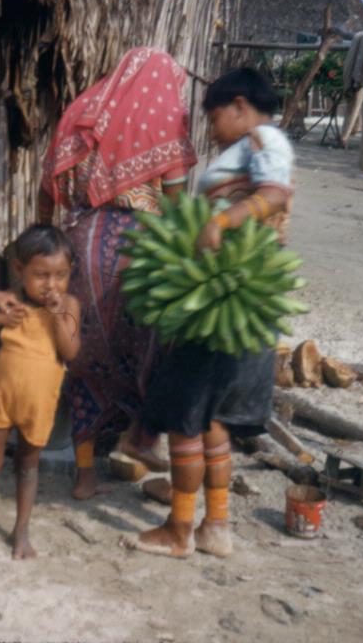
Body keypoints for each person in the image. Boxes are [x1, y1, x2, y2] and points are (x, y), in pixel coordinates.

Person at [135, 67, 295, 559]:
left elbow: (275, 194)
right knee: (214, 418)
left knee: (186, 411)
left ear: (240, 105)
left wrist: (221, 222)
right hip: (229, 295)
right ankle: (215, 528)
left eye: (213, 116)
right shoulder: (249, 144)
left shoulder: (264, 137)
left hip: (227, 292)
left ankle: (179, 529)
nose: (211, 128)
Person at [36, 47, 197, 499]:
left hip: (79, 248)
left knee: (83, 360)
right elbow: (178, 208)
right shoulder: (164, 120)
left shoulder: (83, 113)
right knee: (146, 354)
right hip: (139, 258)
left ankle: (85, 473)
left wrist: (45, 238)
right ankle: (139, 439)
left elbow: (47, 189)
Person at [0, 225, 81, 558]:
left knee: (27, 465)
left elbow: (70, 351)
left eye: (60, 275)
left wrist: (56, 316)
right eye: (41, 275)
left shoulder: (68, 305)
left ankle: (21, 529)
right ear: (19, 269)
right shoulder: (10, 300)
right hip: (1, 399)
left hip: (38, 405)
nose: (51, 284)